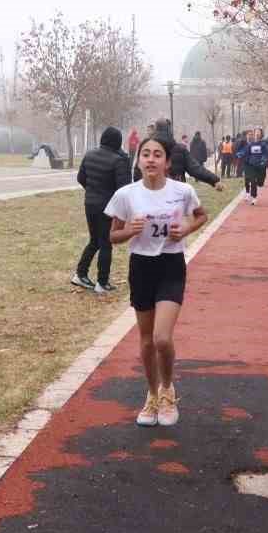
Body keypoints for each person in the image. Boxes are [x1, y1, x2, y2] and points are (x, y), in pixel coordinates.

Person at [105, 135, 209, 427]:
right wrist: (129, 230)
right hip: (141, 268)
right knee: (147, 341)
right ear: (138, 160)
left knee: (163, 338)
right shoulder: (126, 195)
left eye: (157, 155)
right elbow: (112, 237)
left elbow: (201, 216)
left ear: (167, 162)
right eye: (146, 154)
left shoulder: (183, 190)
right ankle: (151, 395)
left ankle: (168, 389)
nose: (151, 159)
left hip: (170, 266)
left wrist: (186, 228)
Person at [72, 126, 131, 294]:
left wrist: (92, 191)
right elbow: (124, 189)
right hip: (107, 207)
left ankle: (80, 274)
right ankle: (102, 283)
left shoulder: (89, 155)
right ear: (117, 142)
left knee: (95, 241)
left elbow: (80, 178)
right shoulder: (118, 160)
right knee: (105, 243)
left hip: (90, 204)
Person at [134, 119, 224, 193]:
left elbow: (138, 171)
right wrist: (214, 180)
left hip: (152, 191)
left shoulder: (147, 148)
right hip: (176, 193)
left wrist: (139, 190)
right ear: (170, 131)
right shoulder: (180, 149)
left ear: (156, 130)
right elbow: (196, 169)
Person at [240, 127, 268, 205]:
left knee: (260, 183)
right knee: (253, 181)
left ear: (261, 134)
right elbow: (246, 152)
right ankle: (254, 198)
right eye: (256, 132)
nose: (257, 134)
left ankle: (259, 183)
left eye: (258, 132)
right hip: (252, 166)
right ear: (254, 134)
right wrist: (241, 154)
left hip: (261, 166)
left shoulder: (263, 144)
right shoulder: (251, 144)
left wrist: (264, 160)